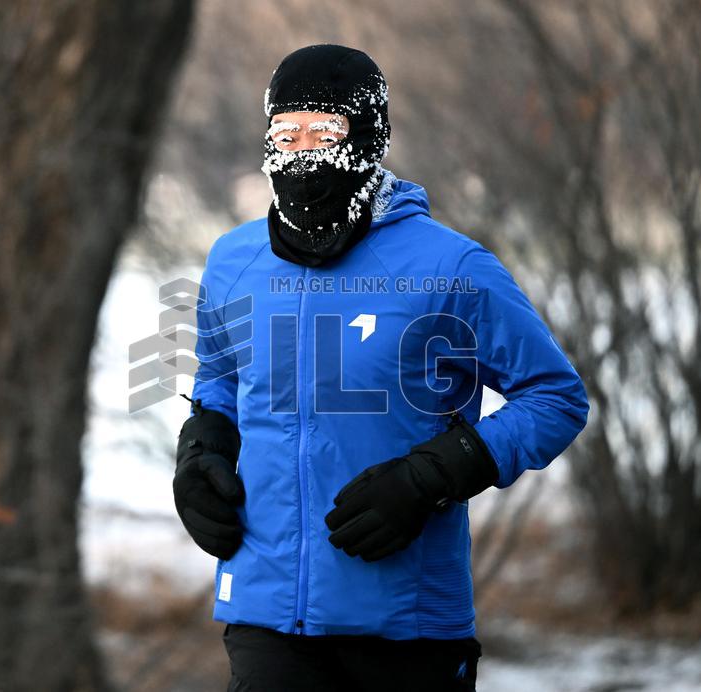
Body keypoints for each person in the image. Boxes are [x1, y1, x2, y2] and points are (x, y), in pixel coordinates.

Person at [172, 44, 589, 691]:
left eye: (324, 133)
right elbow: (220, 377)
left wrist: (433, 476)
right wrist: (202, 447)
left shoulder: (449, 267)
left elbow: (555, 398)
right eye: (285, 134)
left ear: (368, 137)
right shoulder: (234, 260)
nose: (302, 153)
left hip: (406, 630)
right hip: (264, 619)